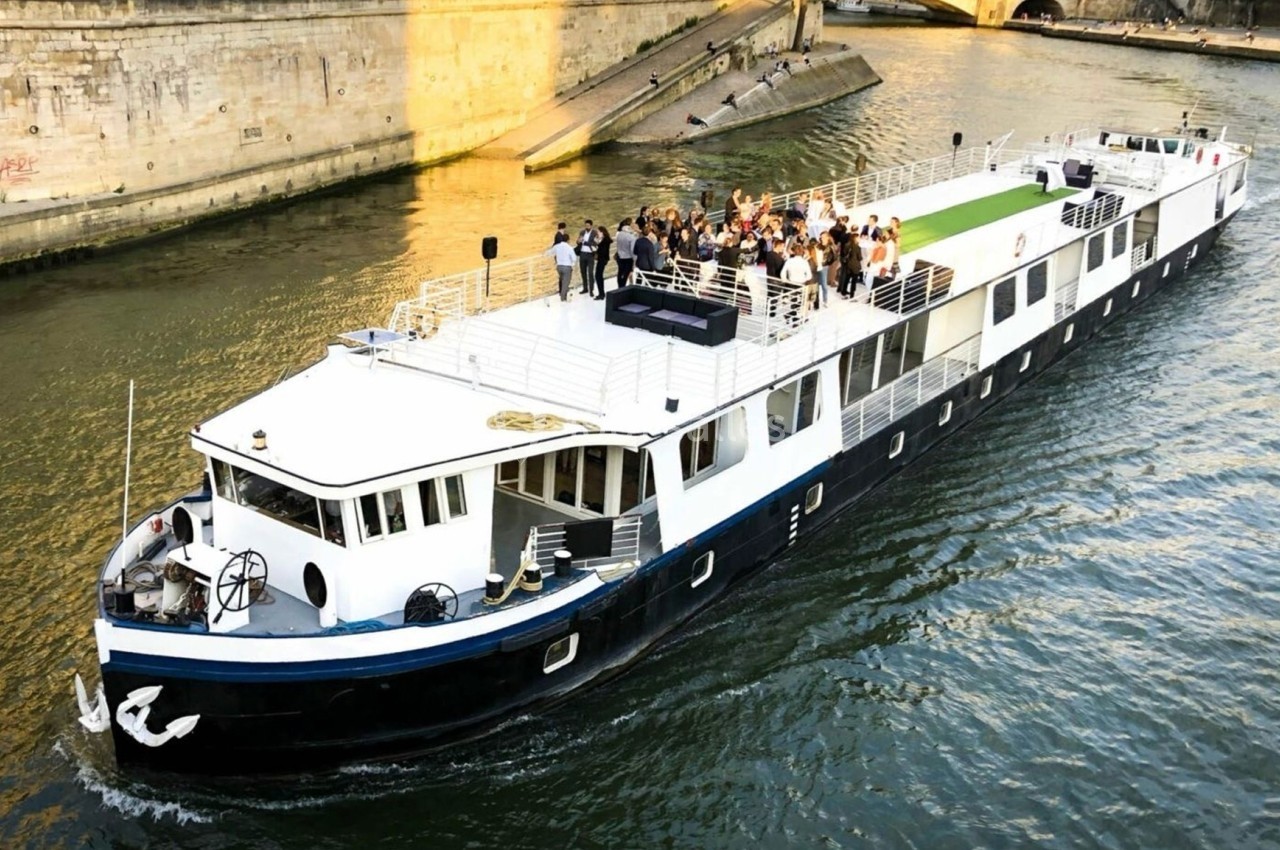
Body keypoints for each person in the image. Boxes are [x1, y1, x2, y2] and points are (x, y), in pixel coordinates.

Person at [545, 237, 576, 302]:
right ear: (568, 240)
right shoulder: (569, 248)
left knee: (562, 280)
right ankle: (563, 298)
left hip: (559, 267)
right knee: (565, 283)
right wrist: (571, 263)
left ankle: (564, 295)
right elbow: (574, 258)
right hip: (567, 267)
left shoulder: (557, 246)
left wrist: (544, 254)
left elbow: (550, 252)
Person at [576, 218, 596, 294]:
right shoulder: (582, 232)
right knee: (583, 272)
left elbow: (595, 244)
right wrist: (578, 241)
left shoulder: (595, 233)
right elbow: (578, 242)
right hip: (582, 254)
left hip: (590, 255)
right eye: (585, 225)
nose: (586, 227)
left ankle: (591, 290)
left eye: (588, 225)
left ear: (591, 226)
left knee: (590, 273)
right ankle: (585, 288)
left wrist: (586, 243)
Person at [615, 218, 636, 287]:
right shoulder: (631, 237)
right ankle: (623, 287)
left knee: (620, 273)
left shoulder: (619, 234)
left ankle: (620, 286)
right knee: (626, 274)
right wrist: (634, 260)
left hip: (620, 256)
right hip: (628, 258)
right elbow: (632, 250)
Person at [593, 225, 611, 299]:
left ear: (602, 232)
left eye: (598, 232)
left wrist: (597, 245)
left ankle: (601, 294)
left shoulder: (605, 241)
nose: (597, 233)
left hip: (602, 259)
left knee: (598, 276)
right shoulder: (605, 240)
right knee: (599, 276)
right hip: (603, 259)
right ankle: (601, 293)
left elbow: (602, 250)